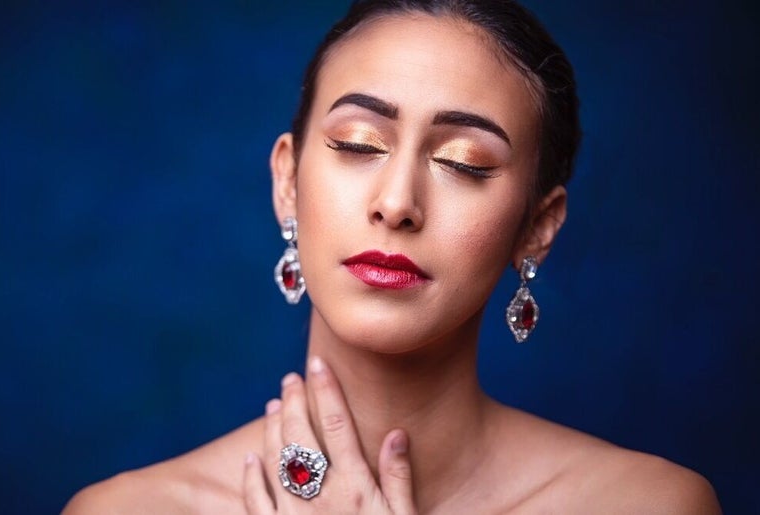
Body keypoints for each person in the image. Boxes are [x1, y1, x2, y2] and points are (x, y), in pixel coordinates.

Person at [64, 1, 721, 512]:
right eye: (356, 143)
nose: (396, 201)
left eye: (462, 162)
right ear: (288, 182)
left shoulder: (649, 505)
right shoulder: (124, 509)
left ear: (537, 228)